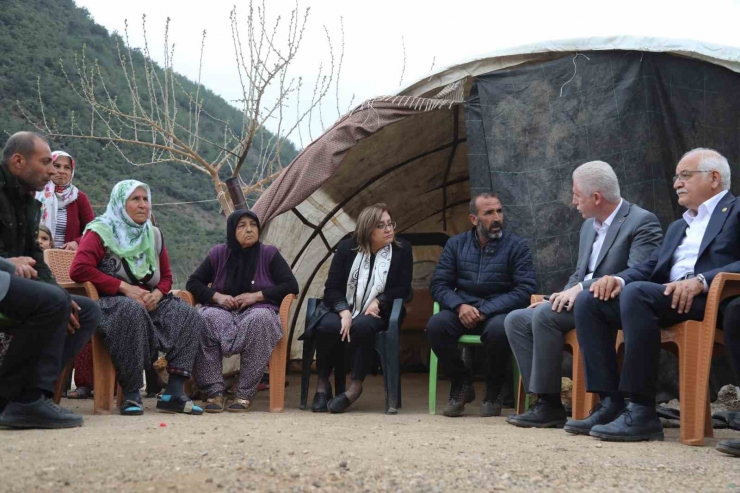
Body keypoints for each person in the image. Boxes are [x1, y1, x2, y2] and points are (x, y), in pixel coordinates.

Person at [569, 148, 740, 442]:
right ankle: (611, 403)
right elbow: (651, 266)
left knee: (637, 294)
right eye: (676, 177)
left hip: (713, 300)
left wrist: (702, 280)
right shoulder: (679, 225)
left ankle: (642, 411)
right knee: (591, 300)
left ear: (714, 179)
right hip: (667, 298)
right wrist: (615, 279)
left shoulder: (736, 211)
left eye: (685, 175)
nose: (676, 183)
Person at [503, 161, 663, 428]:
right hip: (580, 301)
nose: (573, 201)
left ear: (596, 197)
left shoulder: (641, 221)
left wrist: (582, 290)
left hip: (610, 304)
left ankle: (549, 403)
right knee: (517, 319)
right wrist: (558, 296)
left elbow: (639, 273)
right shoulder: (588, 226)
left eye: (577, 195)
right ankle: (546, 401)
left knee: (544, 316)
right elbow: (580, 274)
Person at [69, 179, 206, 416]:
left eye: (145, 199)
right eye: (135, 199)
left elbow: (166, 277)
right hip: (109, 304)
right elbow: (79, 269)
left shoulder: (153, 235)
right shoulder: (100, 231)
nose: (143, 205)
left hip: (148, 302)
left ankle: (173, 392)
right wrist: (123, 287)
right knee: (131, 311)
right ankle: (131, 393)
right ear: (120, 203)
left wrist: (156, 294)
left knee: (188, 314)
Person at [0, 131, 100, 429]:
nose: (51, 169)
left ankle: (20, 398)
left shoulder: (28, 202)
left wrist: (63, 297)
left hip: (11, 287)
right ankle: (23, 399)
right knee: (54, 302)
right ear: (18, 161)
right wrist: (6, 263)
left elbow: (35, 259)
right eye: (45, 162)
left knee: (85, 310)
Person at [426, 193, 536, 417]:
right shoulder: (456, 245)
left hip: (497, 313)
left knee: (499, 330)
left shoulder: (517, 246)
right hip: (463, 311)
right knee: (436, 326)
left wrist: (487, 310)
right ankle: (461, 383)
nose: (497, 218)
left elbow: (524, 290)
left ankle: (494, 390)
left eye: (499, 211)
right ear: (474, 219)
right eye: (489, 213)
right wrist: (459, 306)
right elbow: (439, 284)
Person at [303, 203, 412, 413]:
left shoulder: (401, 250)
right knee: (327, 326)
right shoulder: (347, 248)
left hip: (380, 311)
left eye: (390, 224)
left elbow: (404, 289)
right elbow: (332, 288)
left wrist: (379, 300)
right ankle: (323, 384)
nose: (389, 229)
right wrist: (343, 311)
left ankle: (355, 387)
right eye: (382, 226)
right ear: (368, 230)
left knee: (361, 326)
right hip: (343, 307)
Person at [188, 210, 299, 413]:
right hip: (222, 311)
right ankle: (214, 391)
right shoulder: (218, 253)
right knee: (203, 318)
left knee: (262, 319)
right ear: (232, 230)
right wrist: (218, 297)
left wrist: (257, 296)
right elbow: (194, 282)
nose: (249, 229)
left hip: (257, 310)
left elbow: (291, 285)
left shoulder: (269, 254)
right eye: (242, 225)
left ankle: (244, 393)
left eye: (253, 225)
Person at [35, 150, 94, 251]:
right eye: (57, 166)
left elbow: (93, 230)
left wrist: (77, 242)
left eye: (67, 167)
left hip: (66, 259)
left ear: (72, 172)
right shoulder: (35, 193)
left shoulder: (79, 198)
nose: (62, 171)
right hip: (36, 256)